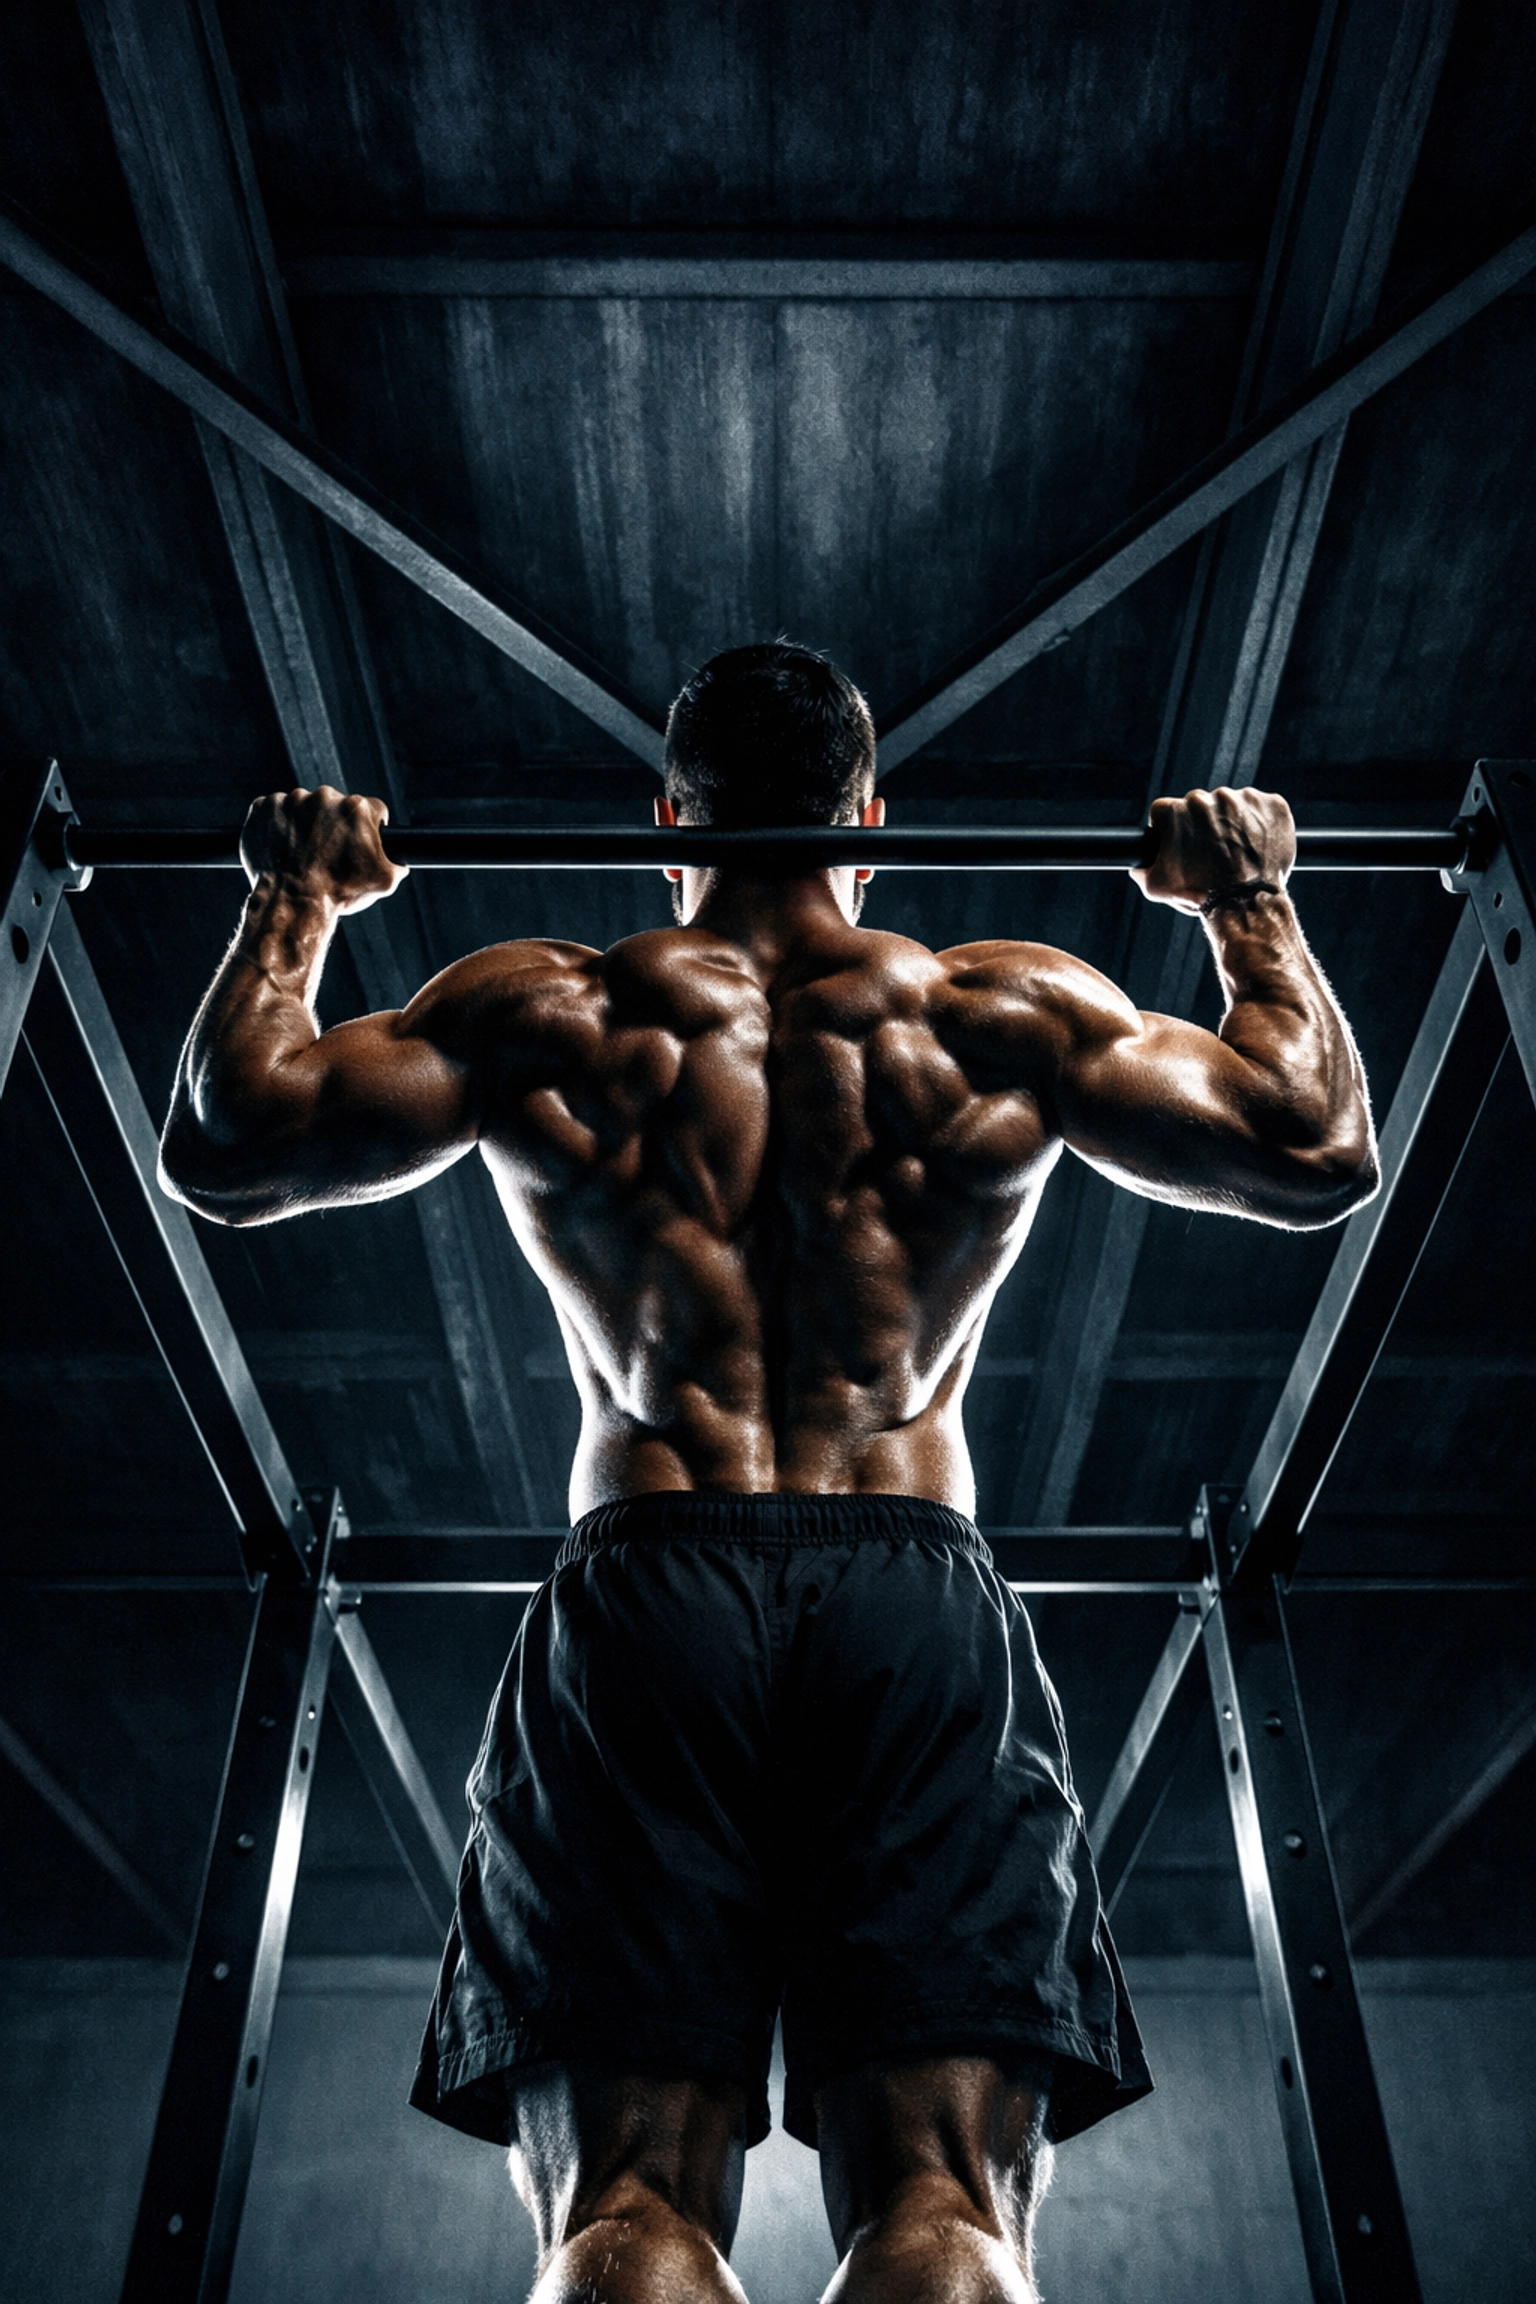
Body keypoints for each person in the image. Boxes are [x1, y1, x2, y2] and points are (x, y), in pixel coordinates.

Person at [159, 642, 1378, 2304]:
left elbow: (229, 1147)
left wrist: (295, 898)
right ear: (869, 825)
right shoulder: (998, 1011)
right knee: (948, 2200)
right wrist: (1246, 899)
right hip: (909, 1583)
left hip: (648, 1582)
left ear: (669, 824)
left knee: (622, 2209)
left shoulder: (556, 1010)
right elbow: (1314, 1147)